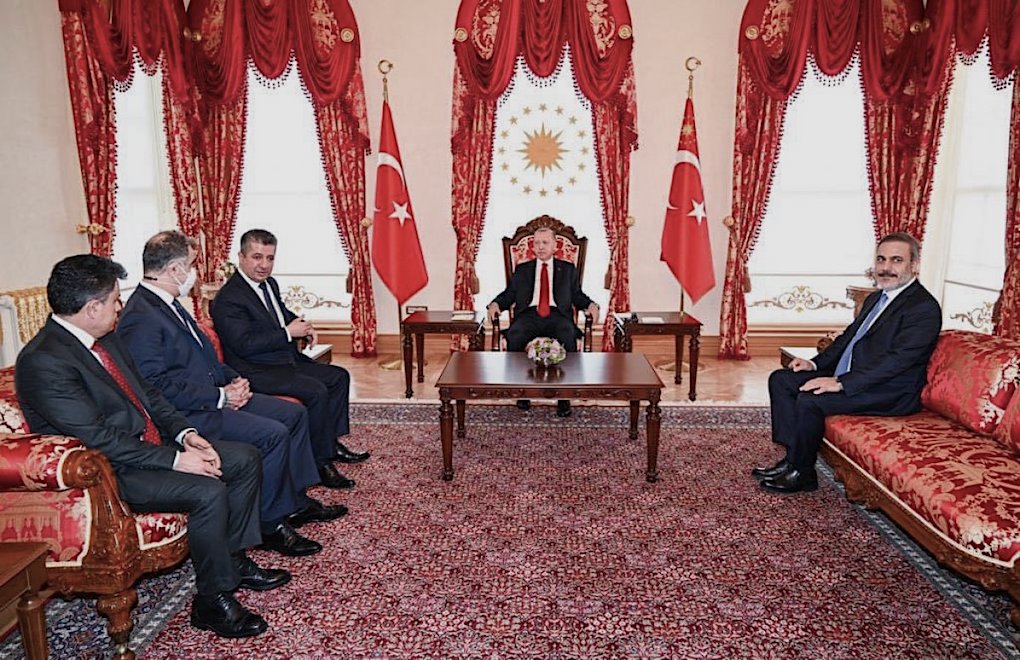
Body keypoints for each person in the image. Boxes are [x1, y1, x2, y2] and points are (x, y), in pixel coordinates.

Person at [15, 254, 284, 638]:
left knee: (243, 458)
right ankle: (212, 601)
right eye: (114, 300)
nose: (119, 307)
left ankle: (233, 560)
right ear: (92, 308)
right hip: (107, 472)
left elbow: (150, 396)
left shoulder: (106, 339)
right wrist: (177, 460)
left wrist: (186, 434)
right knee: (207, 490)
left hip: (147, 448)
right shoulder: (44, 362)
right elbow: (99, 439)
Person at [117, 231, 347, 558]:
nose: (194, 274)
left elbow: (207, 358)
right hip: (191, 414)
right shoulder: (141, 317)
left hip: (213, 396)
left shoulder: (167, 304)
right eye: (191, 266)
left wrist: (235, 381)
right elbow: (155, 386)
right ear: (174, 270)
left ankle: (294, 502)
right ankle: (270, 525)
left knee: (294, 414)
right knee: (273, 433)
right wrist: (220, 397)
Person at [755, 232, 942, 494]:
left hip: (889, 391)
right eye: (881, 259)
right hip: (859, 376)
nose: (886, 267)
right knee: (782, 380)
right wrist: (814, 365)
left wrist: (841, 382)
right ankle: (792, 458)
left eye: (896, 260)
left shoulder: (923, 308)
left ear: (915, 265)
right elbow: (849, 339)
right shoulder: (876, 298)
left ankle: (803, 474)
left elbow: (898, 361)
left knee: (810, 399)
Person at [211, 229, 367, 488]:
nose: (264, 265)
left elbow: (281, 313)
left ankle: (329, 443)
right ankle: (320, 463)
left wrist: (302, 325)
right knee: (316, 391)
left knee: (339, 377)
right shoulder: (229, 298)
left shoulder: (269, 284)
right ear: (241, 257)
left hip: (281, 361)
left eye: (270, 258)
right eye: (257, 257)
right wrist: (287, 333)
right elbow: (244, 344)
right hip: (255, 370)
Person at [486, 226, 599, 417]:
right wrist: (495, 304)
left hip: (557, 315)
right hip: (529, 315)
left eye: (545, 242)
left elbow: (577, 295)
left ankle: (564, 396)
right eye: (536, 243)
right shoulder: (522, 269)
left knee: (567, 334)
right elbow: (509, 294)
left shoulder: (567, 269)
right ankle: (522, 391)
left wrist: (591, 305)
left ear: (555, 246)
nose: (540, 247)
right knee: (515, 334)